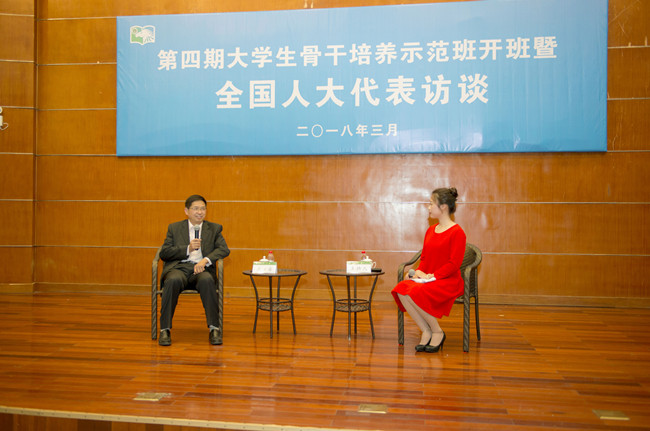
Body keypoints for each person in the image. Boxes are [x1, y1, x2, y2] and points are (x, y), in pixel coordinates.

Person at [391, 187, 466, 353]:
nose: (429, 207)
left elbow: (454, 264)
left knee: (415, 291)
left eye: (432, 204)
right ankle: (426, 330)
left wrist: (433, 276)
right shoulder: (431, 230)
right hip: (428, 278)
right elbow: (424, 258)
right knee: (401, 289)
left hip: (447, 280)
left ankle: (437, 331)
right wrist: (418, 272)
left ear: (443, 207)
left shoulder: (457, 232)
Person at [158, 195, 230, 346]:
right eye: (196, 208)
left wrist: (205, 260)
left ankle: (214, 328)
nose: (200, 212)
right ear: (187, 211)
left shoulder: (214, 228)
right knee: (172, 280)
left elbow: (224, 249)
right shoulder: (174, 228)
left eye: (203, 209)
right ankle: (165, 329)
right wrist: (187, 248)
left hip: (201, 269)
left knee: (207, 280)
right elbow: (164, 253)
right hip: (179, 267)